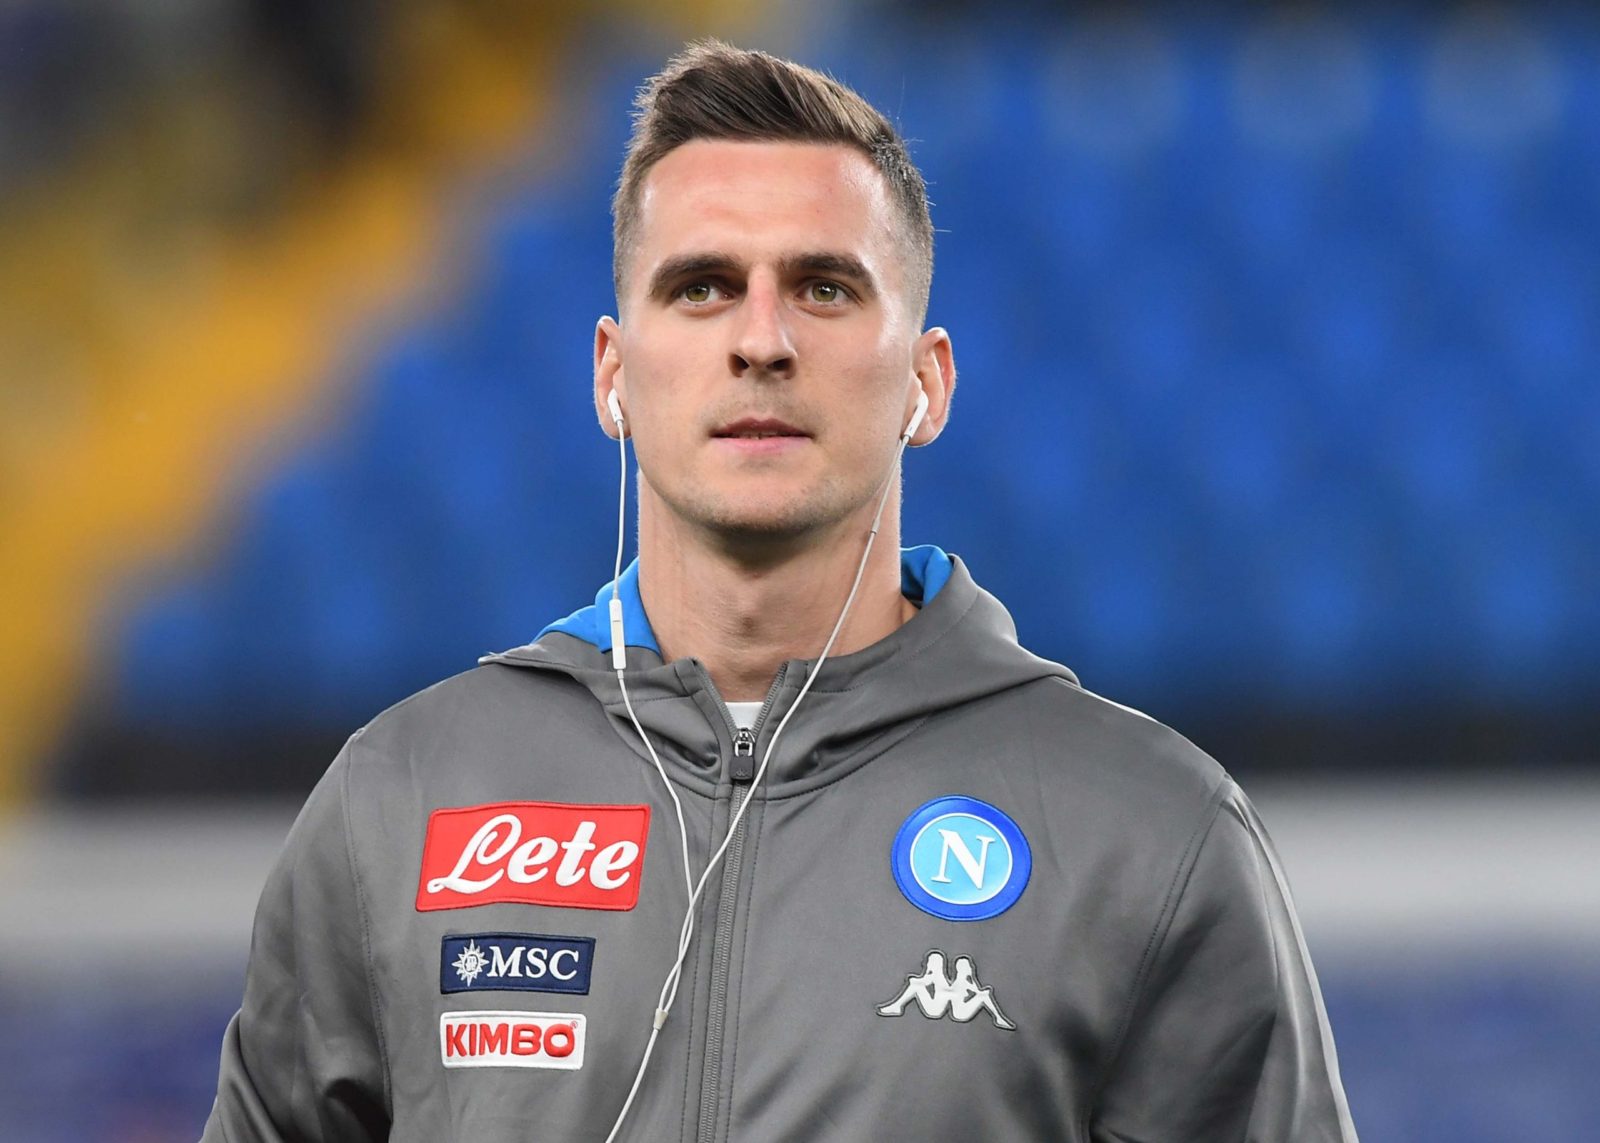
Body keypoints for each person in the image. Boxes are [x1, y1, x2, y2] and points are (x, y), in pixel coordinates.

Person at [204, 40, 1358, 1142]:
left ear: (925, 381)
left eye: (822, 288)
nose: (760, 339)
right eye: (703, 287)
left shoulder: (1145, 834)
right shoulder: (399, 803)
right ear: (613, 373)